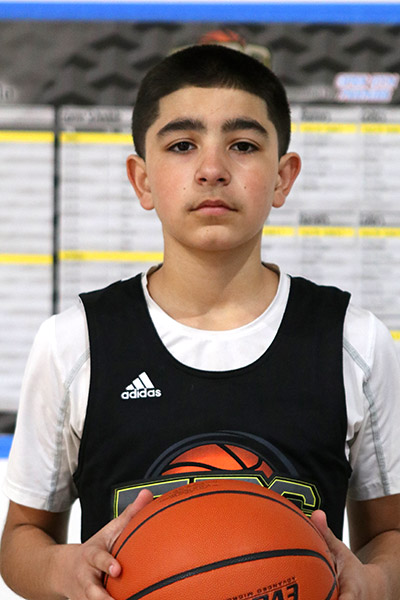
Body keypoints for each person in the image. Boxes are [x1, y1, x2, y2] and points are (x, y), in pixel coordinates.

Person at [1, 44, 400, 600]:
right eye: (183, 145)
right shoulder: (75, 342)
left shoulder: (352, 340)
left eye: (243, 145)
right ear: (142, 179)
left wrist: (374, 581)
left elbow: (388, 533)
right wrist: (60, 571)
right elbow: (21, 538)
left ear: (283, 177)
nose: (212, 170)